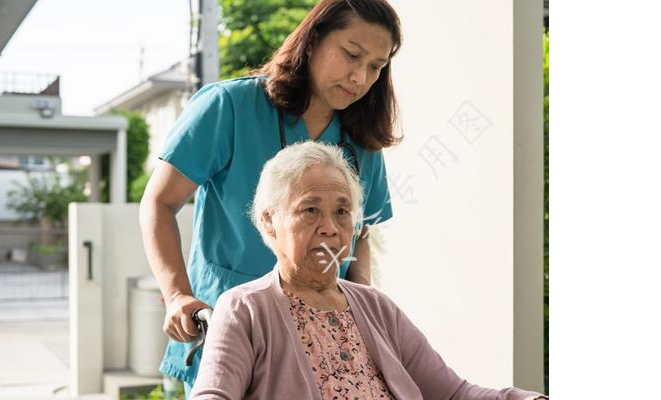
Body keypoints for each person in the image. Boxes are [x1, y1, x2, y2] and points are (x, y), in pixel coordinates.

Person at [139, 0, 402, 393]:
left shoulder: (362, 140)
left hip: (322, 335)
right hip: (225, 325)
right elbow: (159, 203)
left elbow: (360, 233)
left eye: (376, 67)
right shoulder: (229, 107)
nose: (360, 77)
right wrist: (177, 293)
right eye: (352, 55)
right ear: (312, 41)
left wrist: (362, 304)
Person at [190, 142, 548, 400]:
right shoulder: (244, 309)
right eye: (310, 210)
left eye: (342, 212)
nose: (330, 227)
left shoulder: (377, 307)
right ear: (270, 222)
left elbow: (452, 393)